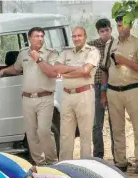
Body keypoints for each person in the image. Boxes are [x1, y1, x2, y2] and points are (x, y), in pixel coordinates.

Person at [0, 27, 59, 165]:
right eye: (36, 36)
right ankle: (40, 163)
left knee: (44, 131)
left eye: (42, 36)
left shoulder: (51, 54)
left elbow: (52, 72)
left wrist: (38, 59)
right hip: (27, 98)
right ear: (29, 38)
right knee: (31, 133)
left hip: (45, 97)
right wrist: (3, 71)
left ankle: (52, 161)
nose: (40, 38)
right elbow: (16, 68)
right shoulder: (23, 54)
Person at [41, 27, 100, 161]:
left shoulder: (92, 52)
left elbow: (86, 70)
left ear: (85, 36)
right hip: (67, 95)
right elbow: (56, 69)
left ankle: (85, 165)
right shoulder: (66, 52)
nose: (76, 39)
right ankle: (65, 165)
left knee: (85, 134)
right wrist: (76, 70)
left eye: (79, 36)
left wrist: (67, 72)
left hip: (84, 94)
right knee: (65, 134)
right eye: (74, 36)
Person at [101, 16, 138, 174]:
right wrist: (103, 92)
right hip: (113, 91)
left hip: (132, 89)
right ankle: (120, 162)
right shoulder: (110, 44)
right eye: (118, 26)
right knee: (117, 129)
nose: (120, 29)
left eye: (123, 26)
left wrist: (124, 61)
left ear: (130, 26)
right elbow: (105, 70)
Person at [87, 18, 115, 161]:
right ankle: (98, 155)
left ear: (111, 30)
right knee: (97, 124)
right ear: (98, 32)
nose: (105, 34)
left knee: (114, 123)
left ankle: (117, 156)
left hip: (114, 87)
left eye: (107, 30)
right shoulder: (92, 46)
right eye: (102, 31)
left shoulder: (116, 44)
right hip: (96, 87)